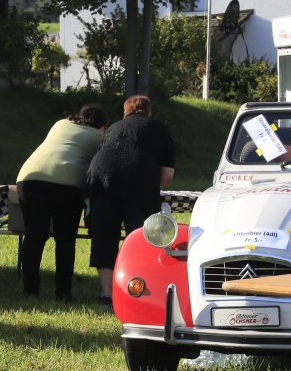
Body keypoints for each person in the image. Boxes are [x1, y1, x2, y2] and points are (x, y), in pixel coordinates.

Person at [85, 95, 176, 305]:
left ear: (125, 112)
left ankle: (106, 294)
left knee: (104, 237)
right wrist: (150, 190)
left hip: (101, 180)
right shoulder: (160, 128)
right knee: (139, 238)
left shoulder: (113, 128)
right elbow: (167, 175)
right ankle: (137, 290)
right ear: (149, 111)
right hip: (139, 182)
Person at [16, 103, 107, 300]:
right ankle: (63, 291)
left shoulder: (60, 124)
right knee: (65, 239)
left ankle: (30, 290)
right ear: (101, 126)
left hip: (29, 177)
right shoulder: (98, 136)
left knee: (34, 236)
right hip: (68, 183)